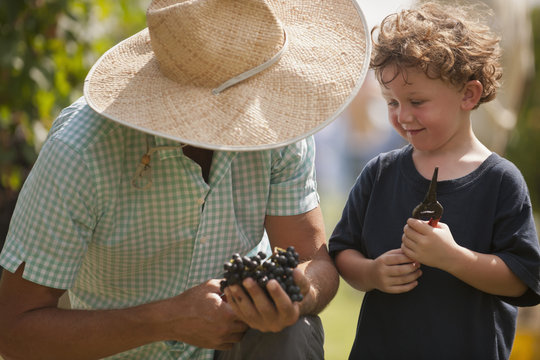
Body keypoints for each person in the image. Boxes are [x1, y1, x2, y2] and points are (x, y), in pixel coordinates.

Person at [0, 0, 371, 359]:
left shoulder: (279, 127)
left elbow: (313, 260)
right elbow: (13, 330)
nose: (255, 113)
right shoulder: (81, 149)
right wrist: (163, 321)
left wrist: (298, 293)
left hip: (232, 349)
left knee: (294, 332)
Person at [328, 2, 540, 359]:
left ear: (468, 95)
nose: (403, 116)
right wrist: (373, 273)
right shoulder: (379, 173)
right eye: (392, 102)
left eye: (417, 101)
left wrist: (454, 258)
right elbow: (343, 252)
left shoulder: (501, 182)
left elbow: (523, 278)